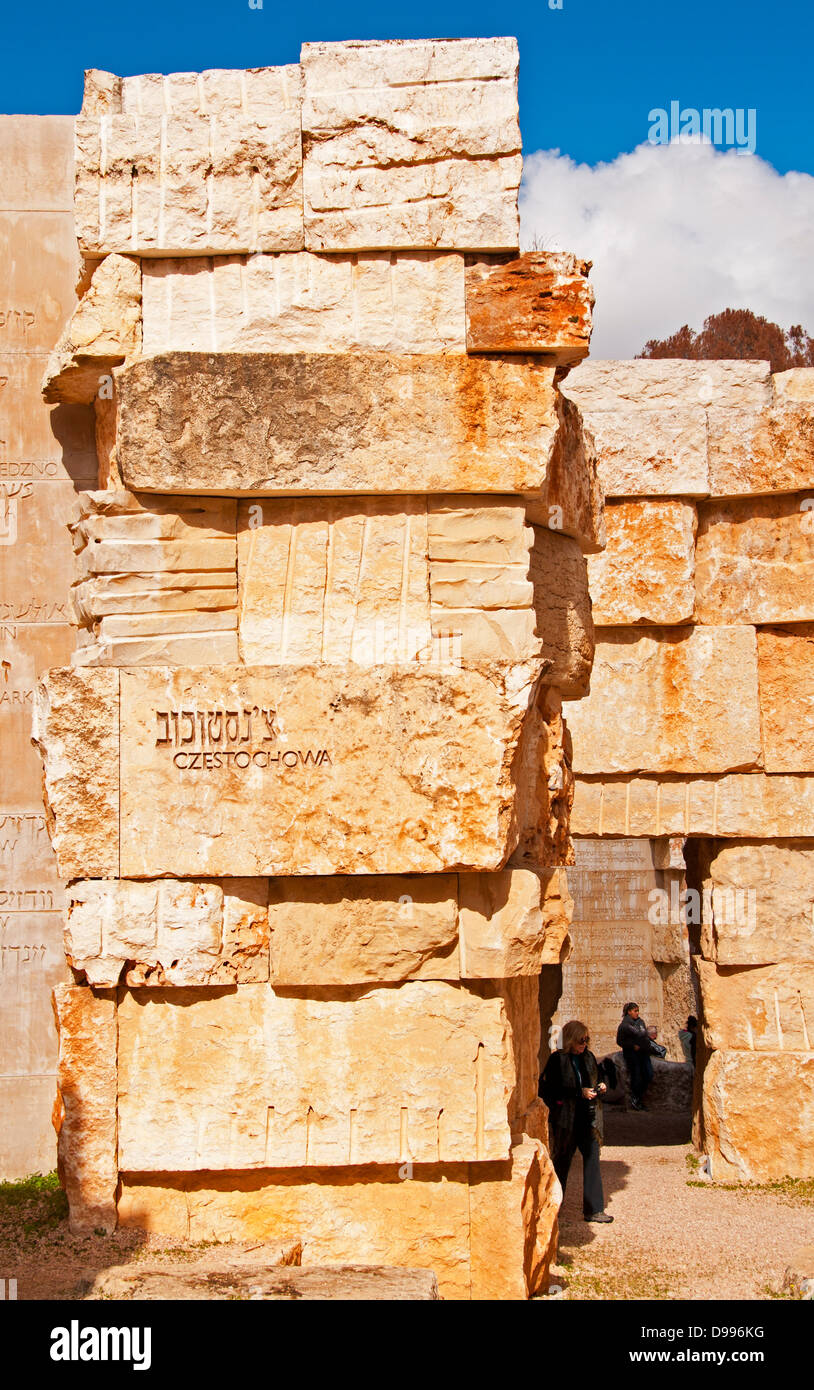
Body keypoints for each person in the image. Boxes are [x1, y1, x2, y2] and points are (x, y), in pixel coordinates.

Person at [539, 1019, 614, 1224]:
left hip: (588, 1118)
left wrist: (600, 1086)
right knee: (562, 1163)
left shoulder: (588, 1058)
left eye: (587, 1040)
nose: (584, 1044)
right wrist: (577, 1093)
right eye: (581, 1040)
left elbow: (598, 1076)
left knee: (592, 1161)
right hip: (567, 1120)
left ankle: (594, 1209)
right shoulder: (557, 1060)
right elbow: (549, 1090)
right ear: (571, 1039)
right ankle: (554, 1207)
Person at [616, 1001, 653, 1110]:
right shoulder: (624, 1025)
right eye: (635, 1011)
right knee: (636, 1076)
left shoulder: (641, 1022)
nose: (637, 1013)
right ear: (629, 1012)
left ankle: (638, 1097)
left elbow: (644, 1035)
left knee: (648, 1074)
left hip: (644, 1053)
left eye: (638, 1011)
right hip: (632, 1054)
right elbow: (619, 1041)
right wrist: (632, 1046)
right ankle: (636, 1099)